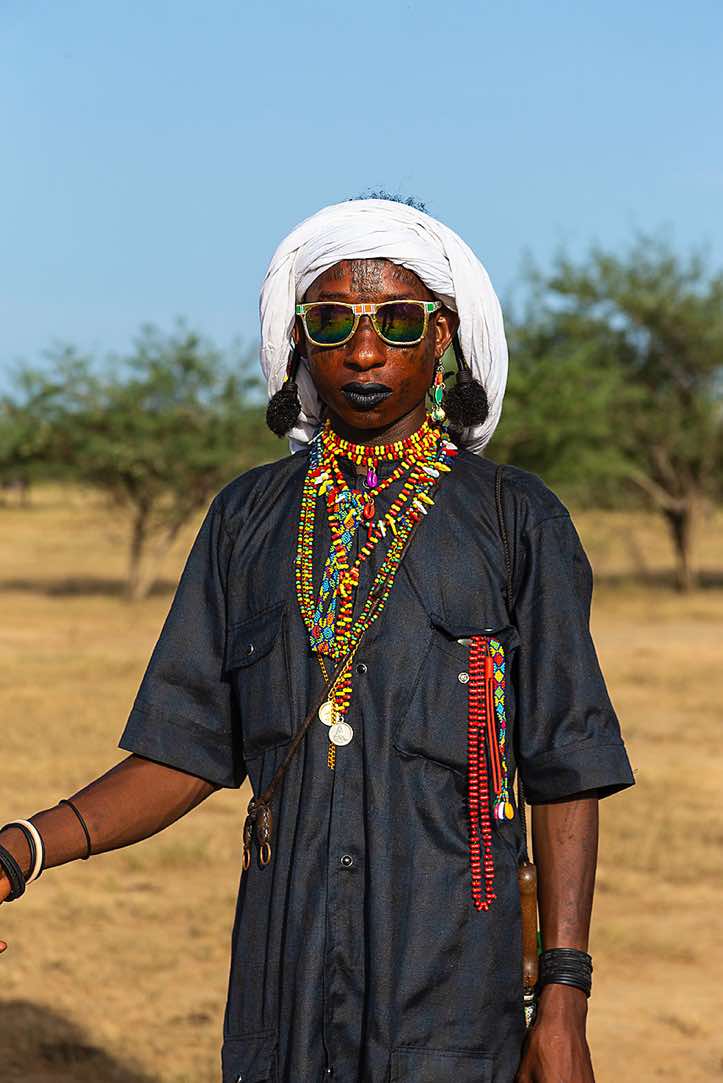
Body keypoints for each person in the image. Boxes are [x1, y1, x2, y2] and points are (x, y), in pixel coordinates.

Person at [0, 196, 635, 1083]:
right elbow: (184, 750)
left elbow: (566, 765)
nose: (363, 351)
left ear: (442, 335)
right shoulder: (247, 520)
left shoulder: (513, 519)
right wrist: (22, 848)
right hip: (284, 982)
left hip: (454, 988)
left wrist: (562, 997)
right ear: (298, 341)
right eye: (331, 321)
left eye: (397, 322)